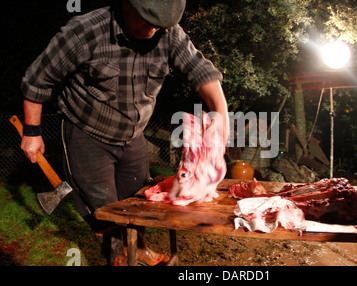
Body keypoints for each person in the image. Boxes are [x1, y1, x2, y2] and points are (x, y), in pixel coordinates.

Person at [20, 0, 229, 265]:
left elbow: (202, 72)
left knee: (138, 202)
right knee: (104, 209)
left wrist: (221, 118)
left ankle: (139, 250)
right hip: (87, 134)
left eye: (159, 23)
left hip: (133, 135)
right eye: (145, 19)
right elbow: (37, 79)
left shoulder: (169, 32)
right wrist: (32, 131)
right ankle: (118, 257)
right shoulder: (84, 31)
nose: (152, 29)